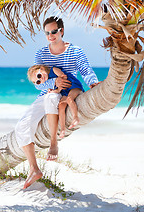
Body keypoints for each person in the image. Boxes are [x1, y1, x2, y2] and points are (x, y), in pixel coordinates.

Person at [15, 16, 101, 189]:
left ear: (61, 31)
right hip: (47, 93)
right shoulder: (41, 53)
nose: (51, 36)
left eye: (54, 32)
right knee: (21, 127)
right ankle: (34, 168)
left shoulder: (75, 51)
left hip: (67, 92)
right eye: (47, 33)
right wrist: (54, 83)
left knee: (51, 98)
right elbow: (37, 82)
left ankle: (54, 144)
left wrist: (93, 82)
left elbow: (85, 68)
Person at [27, 64, 84, 161]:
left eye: (39, 76)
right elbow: (57, 86)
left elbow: (63, 76)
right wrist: (56, 90)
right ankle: (62, 129)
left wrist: (57, 86)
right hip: (65, 91)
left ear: (41, 69)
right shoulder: (50, 81)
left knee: (69, 99)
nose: (41, 80)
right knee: (61, 106)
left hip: (73, 86)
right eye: (38, 81)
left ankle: (75, 117)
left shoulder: (53, 70)